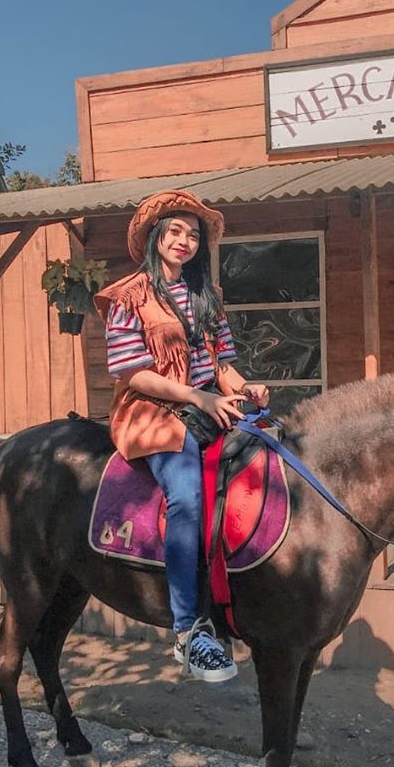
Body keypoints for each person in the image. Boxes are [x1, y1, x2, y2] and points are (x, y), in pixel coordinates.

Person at [93, 190, 269, 682]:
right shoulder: (129, 296)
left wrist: (244, 385)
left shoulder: (205, 295)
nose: (184, 241)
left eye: (192, 234)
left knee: (270, 459)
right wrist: (199, 398)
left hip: (207, 403)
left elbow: (222, 363)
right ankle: (188, 630)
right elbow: (132, 373)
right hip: (151, 412)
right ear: (156, 238)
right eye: (175, 231)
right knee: (188, 498)